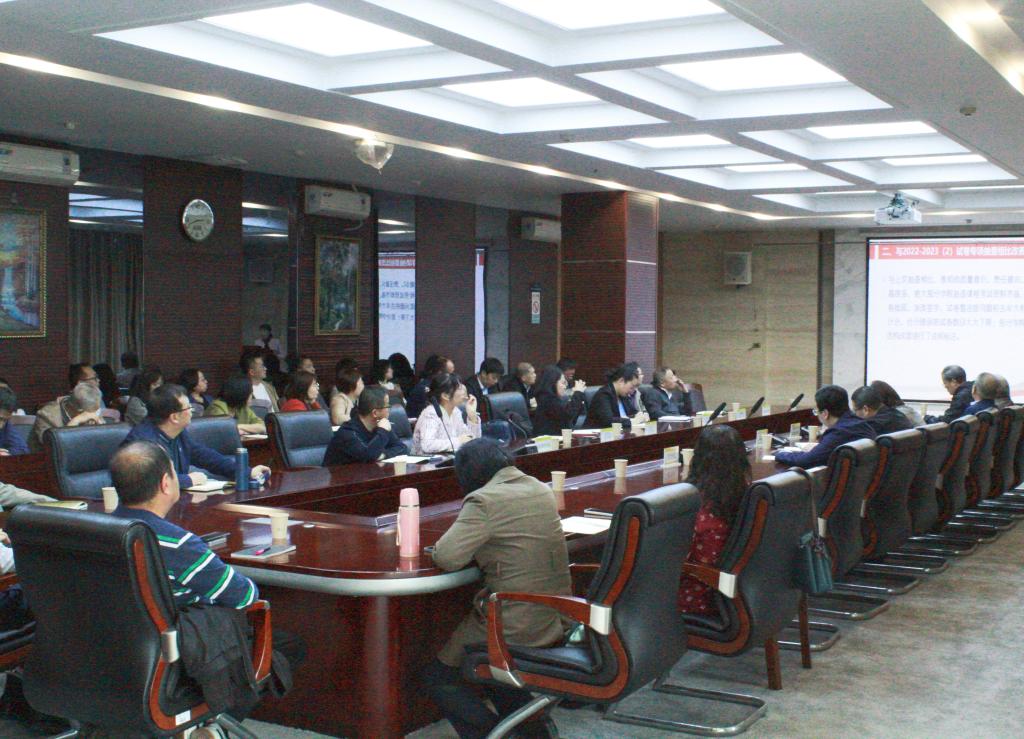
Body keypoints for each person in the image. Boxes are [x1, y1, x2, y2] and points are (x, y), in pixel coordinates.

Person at [424, 438, 570, 739]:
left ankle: (496, 735)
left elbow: (448, 557)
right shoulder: (539, 488)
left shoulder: (484, 500)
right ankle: (532, 732)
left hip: (513, 623)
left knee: (438, 676)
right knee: (492, 671)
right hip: (554, 616)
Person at [111, 441, 259, 609]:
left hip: (112, 624)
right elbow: (244, 596)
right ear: (165, 484)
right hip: (179, 624)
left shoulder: (96, 531)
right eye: (174, 471)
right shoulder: (178, 544)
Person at [121, 384, 270, 488]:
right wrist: (188, 480)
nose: (192, 411)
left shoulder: (178, 434)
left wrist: (247, 472)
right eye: (189, 408)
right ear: (174, 417)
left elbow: (208, 458)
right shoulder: (142, 443)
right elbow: (151, 481)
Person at [678, 425, 751, 616]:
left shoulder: (698, 503)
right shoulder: (747, 492)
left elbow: (678, 556)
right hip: (740, 594)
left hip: (699, 595)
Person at [775, 385, 876, 469]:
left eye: (816, 411)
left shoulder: (838, 432)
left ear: (825, 413)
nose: (817, 414)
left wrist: (780, 454)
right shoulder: (862, 424)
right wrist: (819, 448)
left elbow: (805, 461)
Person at [323, 387, 407, 466]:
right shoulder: (348, 432)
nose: (389, 409)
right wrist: (383, 431)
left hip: (365, 474)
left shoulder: (381, 426)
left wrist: (383, 454)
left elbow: (402, 447)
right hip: (339, 475)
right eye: (387, 406)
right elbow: (368, 456)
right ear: (375, 413)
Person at [411, 373, 481, 455]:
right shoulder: (430, 414)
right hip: (428, 461)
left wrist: (472, 416)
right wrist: (458, 441)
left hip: (451, 458)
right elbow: (428, 445)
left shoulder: (456, 412)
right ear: (445, 396)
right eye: (459, 388)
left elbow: (473, 441)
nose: (464, 389)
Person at [29, 382, 104, 453]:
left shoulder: (91, 407)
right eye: (92, 412)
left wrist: (102, 429)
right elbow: (54, 448)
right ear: (79, 411)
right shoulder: (46, 416)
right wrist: (75, 421)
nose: (95, 415)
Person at [583, 363, 644, 430]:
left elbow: (632, 412)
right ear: (621, 381)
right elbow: (608, 421)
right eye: (632, 387)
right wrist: (631, 421)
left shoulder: (623, 396)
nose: (633, 391)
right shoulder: (603, 395)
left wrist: (639, 415)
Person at [531, 365, 586, 436]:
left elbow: (569, 421)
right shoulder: (547, 399)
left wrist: (579, 399)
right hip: (547, 440)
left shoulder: (555, 399)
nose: (565, 386)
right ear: (553, 383)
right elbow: (567, 415)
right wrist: (578, 393)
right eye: (563, 382)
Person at [406, 354, 451, 419]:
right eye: (446, 372)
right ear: (439, 372)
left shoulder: (436, 386)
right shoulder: (424, 389)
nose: (449, 376)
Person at [0, 386, 29, 456]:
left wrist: (7, 453)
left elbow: (23, 449)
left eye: (5, 420)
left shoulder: (6, 425)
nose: (1, 426)